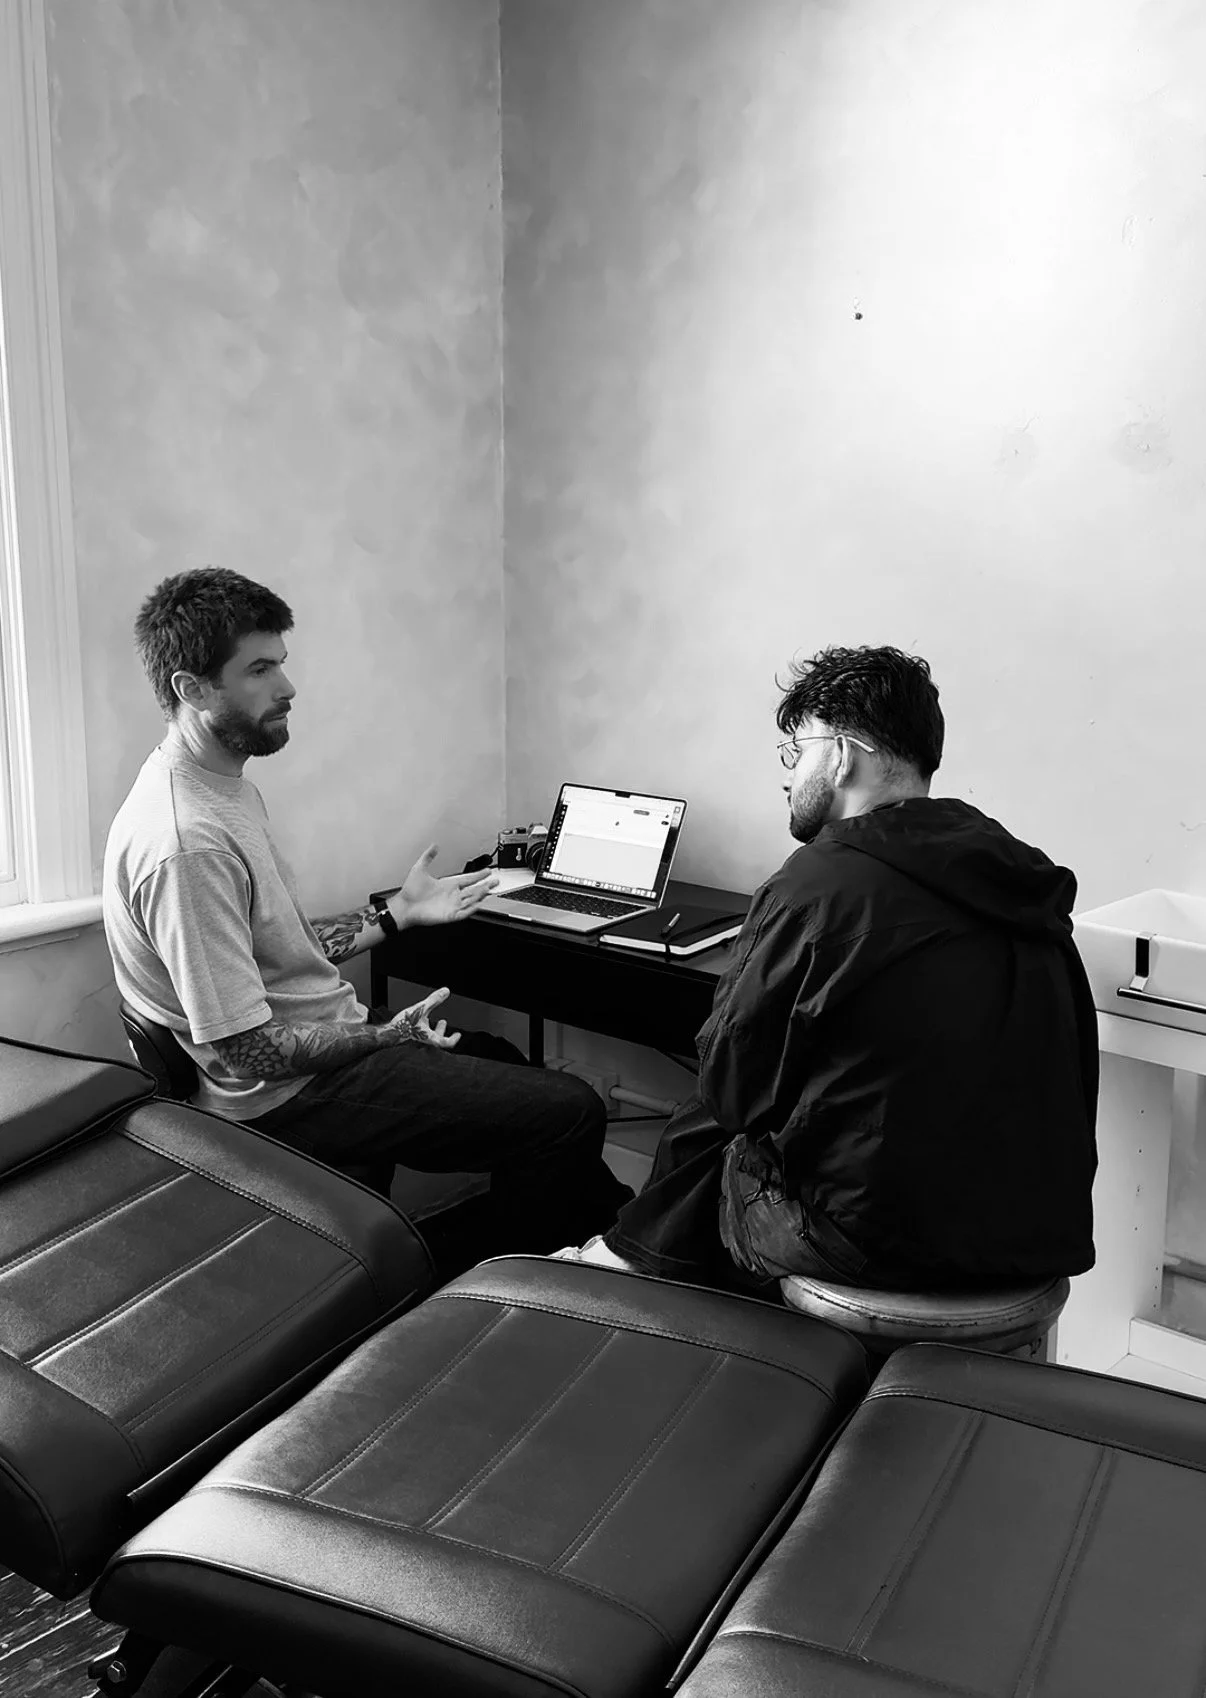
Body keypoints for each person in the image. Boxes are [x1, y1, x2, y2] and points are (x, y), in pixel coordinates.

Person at [103, 567, 631, 1256]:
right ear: (191, 688)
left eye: (281, 665)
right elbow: (247, 1049)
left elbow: (274, 948)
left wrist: (397, 915)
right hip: (283, 1098)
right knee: (570, 1111)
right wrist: (387, 1036)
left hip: (308, 1054)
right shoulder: (186, 842)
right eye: (259, 670)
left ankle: (610, 1239)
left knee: (503, 1058)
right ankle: (501, 1282)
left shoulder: (219, 789)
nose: (288, 688)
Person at [563, 644, 1098, 1294]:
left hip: (876, 1246)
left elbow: (730, 1089)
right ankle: (632, 1259)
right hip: (1035, 1232)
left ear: (842, 755)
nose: (788, 776)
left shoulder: (817, 886)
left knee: (717, 1127)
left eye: (797, 751)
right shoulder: (1015, 875)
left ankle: (638, 1281)